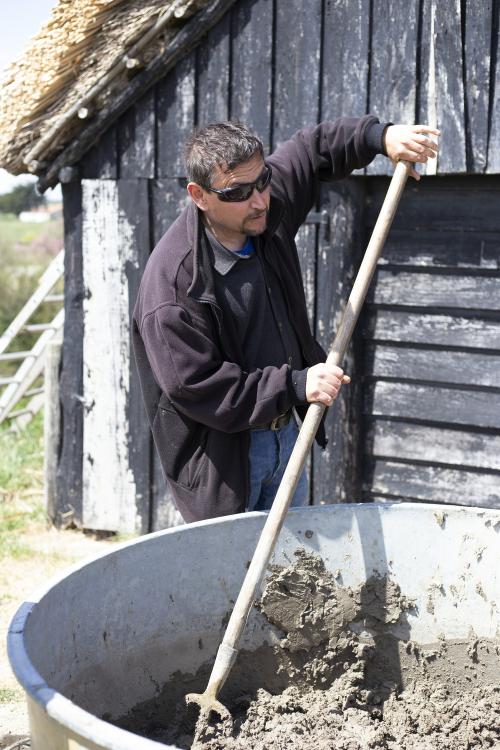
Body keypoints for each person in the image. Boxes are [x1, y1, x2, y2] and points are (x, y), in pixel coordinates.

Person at [133, 117, 439, 522]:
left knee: (290, 571)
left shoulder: (264, 212)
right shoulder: (174, 287)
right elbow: (197, 386)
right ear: (200, 195)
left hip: (287, 434)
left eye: (262, 181)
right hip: (226, 463)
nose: (259, 199)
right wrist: (296, 383)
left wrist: (380, 137)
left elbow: (312, 148)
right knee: (235, 574)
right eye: (239, 193)